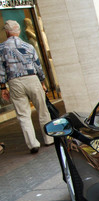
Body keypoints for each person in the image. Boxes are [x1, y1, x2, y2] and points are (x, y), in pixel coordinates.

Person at [0, 20, 53, 154]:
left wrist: (3, 88)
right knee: (42, 110)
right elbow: (38, 65)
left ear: (6, 32)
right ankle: (49, 139)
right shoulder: (28, 46)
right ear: (18, 31)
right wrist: (42, 82)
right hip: (32, 79)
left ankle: (33, 144)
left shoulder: (2, 48)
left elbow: (0, 70)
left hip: (14, 82)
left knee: (23, 115)